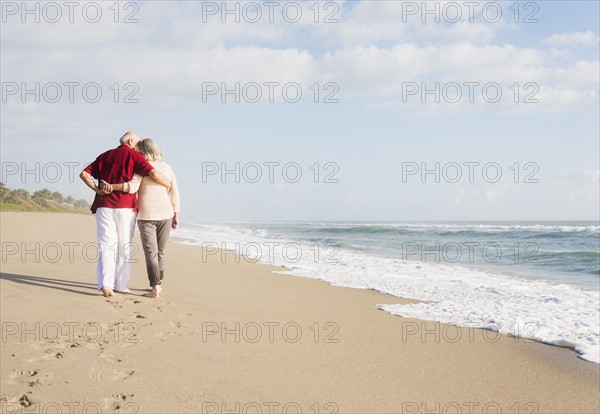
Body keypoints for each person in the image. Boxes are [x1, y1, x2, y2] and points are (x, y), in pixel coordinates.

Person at [79, 132, 172, 297]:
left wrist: (98, 190)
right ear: (130, 141)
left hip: (103, 206)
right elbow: (154, 174)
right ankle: (121, 285)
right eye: (137, 143)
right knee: (124, 246)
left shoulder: (104, 155)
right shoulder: (134, 155)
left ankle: (105, 284)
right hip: (125, 207)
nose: (139, 147)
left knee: (106, 245)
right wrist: (168, 184)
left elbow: (84, 174)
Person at [103, 137, 180, 298]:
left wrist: (112, 186)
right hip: (166, 214)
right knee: (160, 252)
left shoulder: (141, 168)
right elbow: (175, 192)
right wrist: (176, 213)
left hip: (146, 215)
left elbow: (131, 188)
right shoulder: (167, 167)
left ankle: (155, 288)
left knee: (151, 252)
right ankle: (158, 284)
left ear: (143, 152)